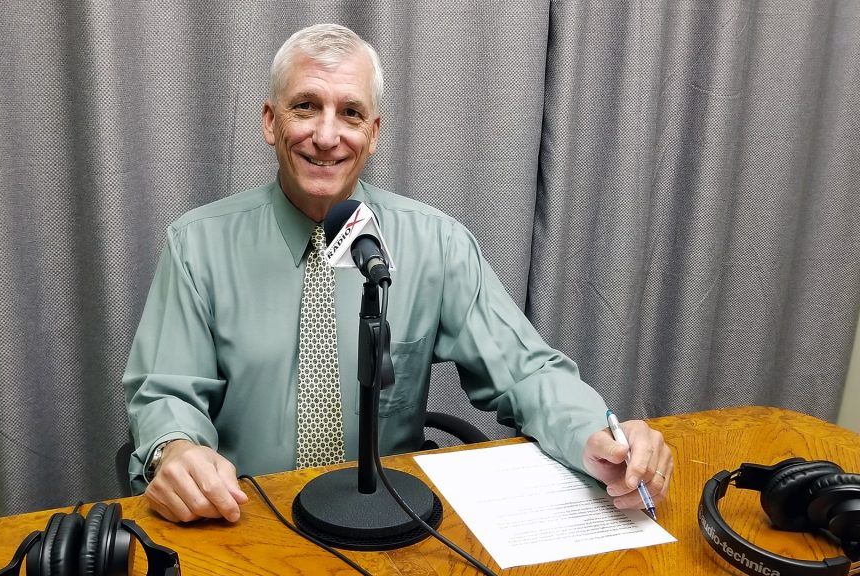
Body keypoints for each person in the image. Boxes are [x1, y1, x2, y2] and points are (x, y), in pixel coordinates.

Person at [123, 23, 673, 524]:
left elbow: (527, 372)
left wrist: (597, 434)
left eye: (351, 113)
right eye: (306, 107)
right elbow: (165, 394)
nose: (326, 135)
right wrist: (175, 450)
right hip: (249, 523)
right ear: (271, 121)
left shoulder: (435, 243)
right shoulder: (197, 245)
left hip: (390, 527)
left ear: (375, 132)